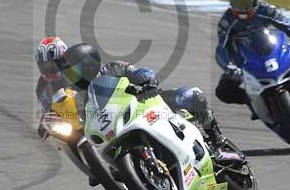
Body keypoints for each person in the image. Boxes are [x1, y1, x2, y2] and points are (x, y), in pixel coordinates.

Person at [59, 43, 228, 148]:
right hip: (122, 125)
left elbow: (138, 71)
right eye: (69, 75)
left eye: (74, 73)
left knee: (193, 97)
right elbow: (87, 120)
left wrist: (147, 81)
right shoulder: (80, 97)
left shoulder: (111, 69)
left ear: (88, 65)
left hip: (148, 101)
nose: (71, 79)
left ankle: (216, 138)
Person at [215, 0, 290, 106]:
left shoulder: (266, 10)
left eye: (246, 3)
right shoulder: (226, 21)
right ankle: (253, 101)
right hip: (244, 61)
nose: (242, 9)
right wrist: (229, 67)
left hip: (269, 48)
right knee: (223, 91)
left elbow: (288, 24)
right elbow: (221, 48)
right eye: (238, 4)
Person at [34, 36, 70, 137]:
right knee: (42, 133)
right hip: (69, 118)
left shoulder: (79, 68)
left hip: (92, 109)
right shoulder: (41, 87)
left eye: (52, 65)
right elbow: (47, 112)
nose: (49, 71)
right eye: (44, 66)